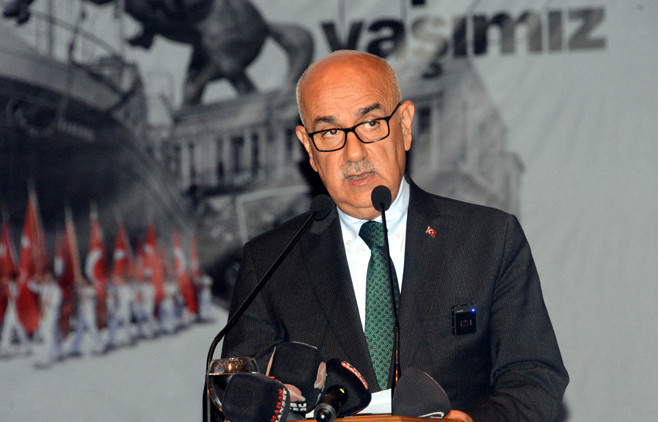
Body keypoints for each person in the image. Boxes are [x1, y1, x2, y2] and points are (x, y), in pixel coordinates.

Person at [222, 50, 568, 421]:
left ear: (404, 125)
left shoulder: (488, 239)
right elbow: (241, 399)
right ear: (309, 147)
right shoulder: (270, 262)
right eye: (330, 132)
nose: (353, 153)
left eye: (371, 123)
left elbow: (534, 378)